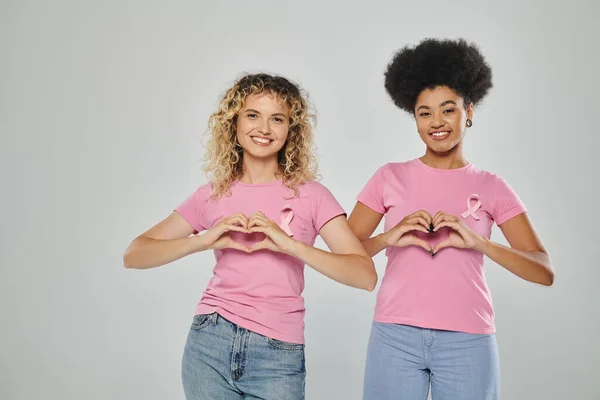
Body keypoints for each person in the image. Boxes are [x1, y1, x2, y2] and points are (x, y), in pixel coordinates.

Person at [123, 73, 376, 400]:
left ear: (290, 130)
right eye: (253, 115)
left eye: (277, 119)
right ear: (234, 122)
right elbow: (134, 254)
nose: (264, 128)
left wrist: (289, 245)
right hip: (208, 343)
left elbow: (365, 276)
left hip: (278, 353)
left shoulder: (311, 196)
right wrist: (203, 240)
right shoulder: (211, 195)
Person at [347, 38, 554, 400]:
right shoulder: (388, 177)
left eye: (448, 109)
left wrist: (479, 242)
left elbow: (543, 270)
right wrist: (389, 237)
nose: (436, 122)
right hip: (395, 335)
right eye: (424, 112)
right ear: (414, 118)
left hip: (469, 339)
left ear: (469, 111)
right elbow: (342, 258)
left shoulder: (491, 186)